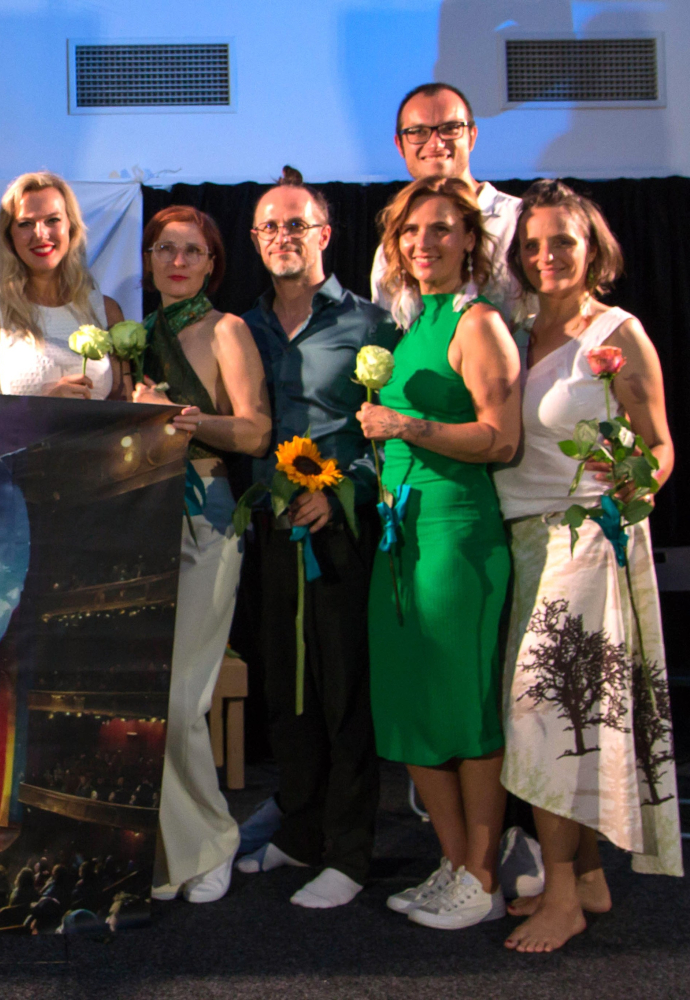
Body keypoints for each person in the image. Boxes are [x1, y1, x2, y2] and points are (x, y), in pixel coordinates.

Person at [493, 180, 681, 952]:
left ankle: (563, 895)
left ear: (592, 247)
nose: (547, 256)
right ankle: (592, 874)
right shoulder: (513, 331)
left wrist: (639, 484)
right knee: (573, 713)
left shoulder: (618, 331)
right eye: (533, 245)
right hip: (521, 542)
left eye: (562, 242)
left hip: (587, 539)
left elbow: (659, 443)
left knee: (546, 714)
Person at [358, 176, 522, 930]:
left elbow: (501, 439)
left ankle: (483, 878)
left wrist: (410, 428)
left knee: (464, 708)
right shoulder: (411, 322)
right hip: (401, 535)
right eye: (411, 232)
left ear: (469, 242)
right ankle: (455, 865)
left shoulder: (477, 321)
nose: (424, 243)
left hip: (457, 535)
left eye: (441, 229)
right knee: (409, 701)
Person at [234, 168, 397, 909]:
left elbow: (388, 437)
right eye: (270, 226)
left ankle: (350, 852)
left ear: (324, 234)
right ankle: (300, 832)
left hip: (340, 530)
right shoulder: (245, 328)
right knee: (284, 689)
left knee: (343, 692)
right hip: (271, 530)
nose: (283, 237)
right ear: (255, 240)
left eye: (296, 225)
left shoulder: (370, 325)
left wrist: (343, 489)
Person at [131, 204, 272, 905]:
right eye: (165, 248)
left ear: (213, 262)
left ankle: (214, 839)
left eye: (192, 250)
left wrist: (191, 422)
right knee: (147, 700)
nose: (178, 261)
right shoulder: (135, 338)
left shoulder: (227, 330)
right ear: (149, 260)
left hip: (207, 516)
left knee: (183, 701)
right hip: (142, 518)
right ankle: (175, 849)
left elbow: (256, 432)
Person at [0, 171, 128, 399]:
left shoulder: (106, 310)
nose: (41, 234)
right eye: (26, 224)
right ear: (9, 236)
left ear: (71, 226)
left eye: (52, 220)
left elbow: (125, 405)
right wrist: (44, 407)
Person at [372, 83, 522, 330]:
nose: (436, 143)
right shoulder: (393, 249)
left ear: (472, 136)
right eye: (418, 132)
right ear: (400, 145)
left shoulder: (519, 221)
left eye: (450, 128)